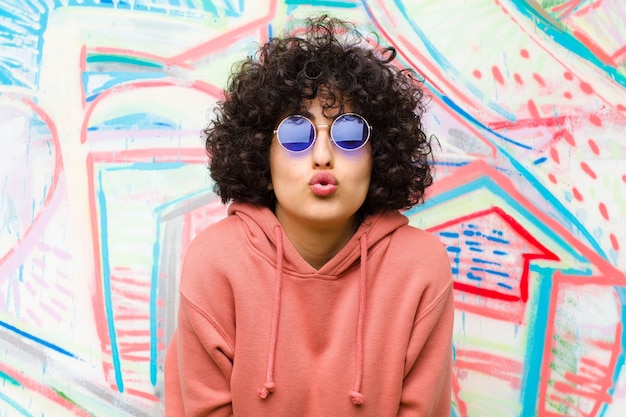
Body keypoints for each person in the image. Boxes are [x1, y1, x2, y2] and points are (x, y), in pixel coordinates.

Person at [164, 14, 454, 417]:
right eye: (297, 134)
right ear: (260, 153)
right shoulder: (216, 261)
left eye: (349, 134)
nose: (322, 157)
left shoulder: (420, 268)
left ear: (379, 155)